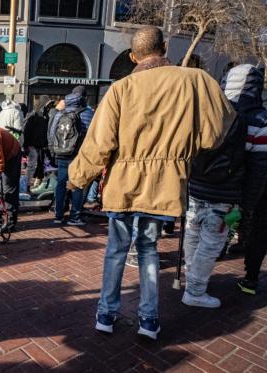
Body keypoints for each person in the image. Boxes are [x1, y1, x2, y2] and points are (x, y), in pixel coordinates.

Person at [67, 26, 235, 340]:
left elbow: (99, 144)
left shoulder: (120, 89)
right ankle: (148, 320)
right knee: (148, 250)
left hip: (123, 185)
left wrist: (77, 179)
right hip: (164, 185)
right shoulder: (195, 81)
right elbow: (216, 133)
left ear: (133, 56)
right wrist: (182, 150)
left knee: (116, 251)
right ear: (165, 47)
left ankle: (106, 314)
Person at [182, 98, 246, 307]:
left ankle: (191, 277)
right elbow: (258, 166)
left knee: (192, 233)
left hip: (196, 186)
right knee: (209, 245)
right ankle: (195, 290)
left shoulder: (204, 113)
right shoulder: (250, 119)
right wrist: (248, 201)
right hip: (224, 194)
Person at [221, 64, 267, 296]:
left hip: (224, 184)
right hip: (255, 190)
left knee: (220, 222)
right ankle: (250, 278)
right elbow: (259, 168)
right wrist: (247, 203)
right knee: (259, 231)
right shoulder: (262, 119)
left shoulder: (221, 114)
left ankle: (212, 259)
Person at [48, 87, 94, 226]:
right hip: (79, 155)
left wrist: (54, 151)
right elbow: (93, 135)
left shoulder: (60, 113)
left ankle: (59, 215)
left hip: (61, 153)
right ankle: (74, 217)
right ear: (84, 98)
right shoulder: (88, 113)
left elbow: (51, 133)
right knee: (77, 185)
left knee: (61, 184)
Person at [23, 95, 53, 189]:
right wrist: (26, 146)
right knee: (32, 165)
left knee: (41, 165)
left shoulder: (45, 116)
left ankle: (36, 183)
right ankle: (26, 185)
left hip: (41, 145)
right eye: (47, 105)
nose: (49, 107)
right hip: (32, 145)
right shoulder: (33, 115)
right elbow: (26, 130)